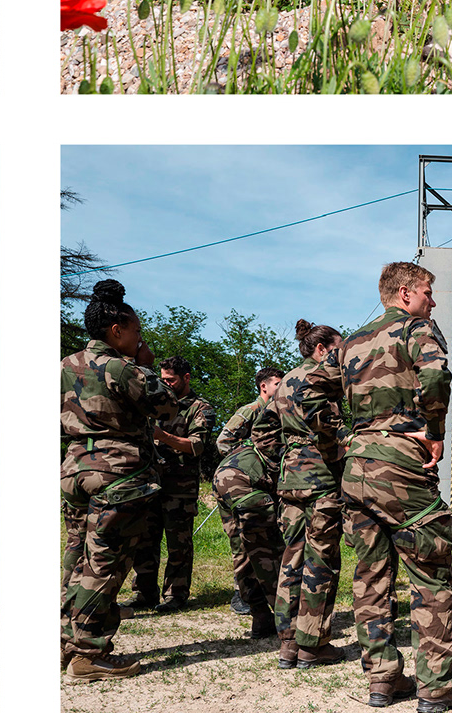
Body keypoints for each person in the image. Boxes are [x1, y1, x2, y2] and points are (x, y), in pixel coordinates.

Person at [341, 263, 452, 713]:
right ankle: (437, 685)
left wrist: (343, 441)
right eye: (427, 292)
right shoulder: (416, 328)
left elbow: (309, 396)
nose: (432, 301)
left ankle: (382, 679)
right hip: (399, 462)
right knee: (430, 568)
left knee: (370, 576)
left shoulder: (351, 342)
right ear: (405, 293)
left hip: (355, 466)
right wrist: (433, 428)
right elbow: (437, 377)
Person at [59, 280, 163, 679]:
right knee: (105, 563)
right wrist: (146, 363)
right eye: (136, 333)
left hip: (74, 470)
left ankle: (65, 642)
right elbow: (166, 406)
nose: (139, 339)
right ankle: (89, 654)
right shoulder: (122, 366)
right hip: (117, 473)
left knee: (76, 558)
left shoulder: (64, 366)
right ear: (116, 331)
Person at [257, 320, 347, 670]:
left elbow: (262, 430)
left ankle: (289, 644)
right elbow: (327, 428)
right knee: (321, 561)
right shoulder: (320, 380)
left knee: (291, 559)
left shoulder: (284, 383)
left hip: (291, 482)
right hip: (321, 480)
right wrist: (334, 451)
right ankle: (313, 644)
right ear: (322, 349)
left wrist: (286, 458)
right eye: (337, 349)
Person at [130, 357, 215, 613]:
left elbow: (196, 446)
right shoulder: (153, 405)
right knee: (145, 541)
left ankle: (175, 595)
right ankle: (143, 593)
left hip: (180, 487)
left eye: (171, 380)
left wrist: (162, 436)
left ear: (186, 378)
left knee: (179, 545)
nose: (166, 384)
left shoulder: (200, 408)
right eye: (163, 379)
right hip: (150, 483)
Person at [213, 366, 284, 638]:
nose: (282, 387)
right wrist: (246, 458)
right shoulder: (252, 411)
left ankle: (261, 617)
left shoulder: (281, 407)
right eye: (277, 383)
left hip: (232, 479)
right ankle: (282, 616)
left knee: (244, 549)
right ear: (264, 386)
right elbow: (223, 441)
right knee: (264, 549)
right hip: (243, 480)